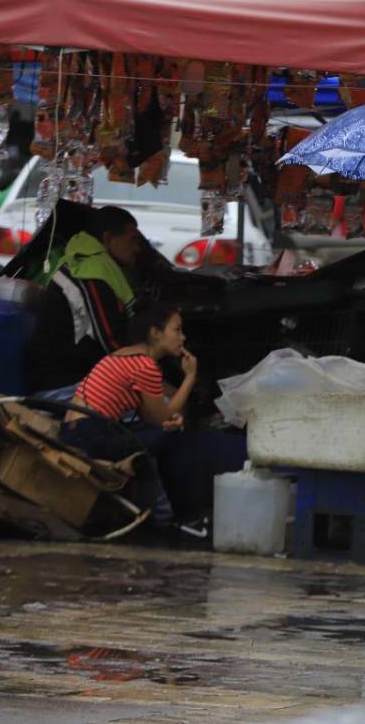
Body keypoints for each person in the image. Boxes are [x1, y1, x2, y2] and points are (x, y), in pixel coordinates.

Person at [59, 302, 243, 525]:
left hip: (77, 431)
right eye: (176, 330)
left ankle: (166, 513)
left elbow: (152, 417)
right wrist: (189, 378)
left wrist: (169, 421)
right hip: (90, 436)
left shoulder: (126, 355)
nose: (182, 337)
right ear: (156, 333)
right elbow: (161, 418)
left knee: (161, 436)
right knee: (174, 440)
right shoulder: (145, 366)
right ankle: (185, 516)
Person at [26, 206, 144, 393]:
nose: (137, 249)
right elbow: (112, 344)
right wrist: (149, 361)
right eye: (132, 240)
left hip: (81, 375)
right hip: (60, 385)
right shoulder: (89, 272)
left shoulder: (96, 266)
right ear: (108, 239)